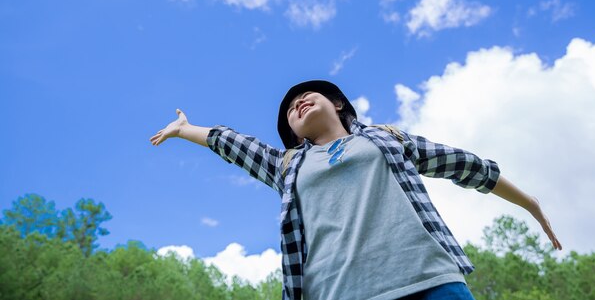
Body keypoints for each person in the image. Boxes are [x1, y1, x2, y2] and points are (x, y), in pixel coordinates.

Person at [150, 79, 562, 300]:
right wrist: (186, 130)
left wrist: (529, 203)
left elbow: (468, 166)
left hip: (429, 282)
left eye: (305, 96)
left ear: (339, 105)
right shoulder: (288, 165)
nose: (296, 103)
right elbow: (233, 144)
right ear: (292, 133)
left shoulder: (387, 139)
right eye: (290, 109)